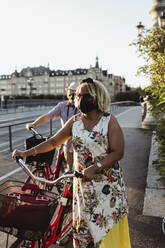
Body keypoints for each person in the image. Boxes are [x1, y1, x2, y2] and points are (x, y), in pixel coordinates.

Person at [13, 78, 131, 248]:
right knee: (83, 232)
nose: (80, 99)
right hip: (82, 186)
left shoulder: (109, 121)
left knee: (106, 231)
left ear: (96, 97)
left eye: (86, 95)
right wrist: (26, 153)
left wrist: (95, 167)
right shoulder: (74, 122)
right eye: (78, 95)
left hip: (107, 187)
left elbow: (118, 152)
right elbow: (53, 142)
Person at [26, 81, 80, 171]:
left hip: (78, 143)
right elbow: (47, 116)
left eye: (74, 93)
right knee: (69, 169)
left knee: (77, 169)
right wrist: (34, 124)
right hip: (65, 141)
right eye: (70, 92)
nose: (72, 95)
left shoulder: (82, 107)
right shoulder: (62, 105)